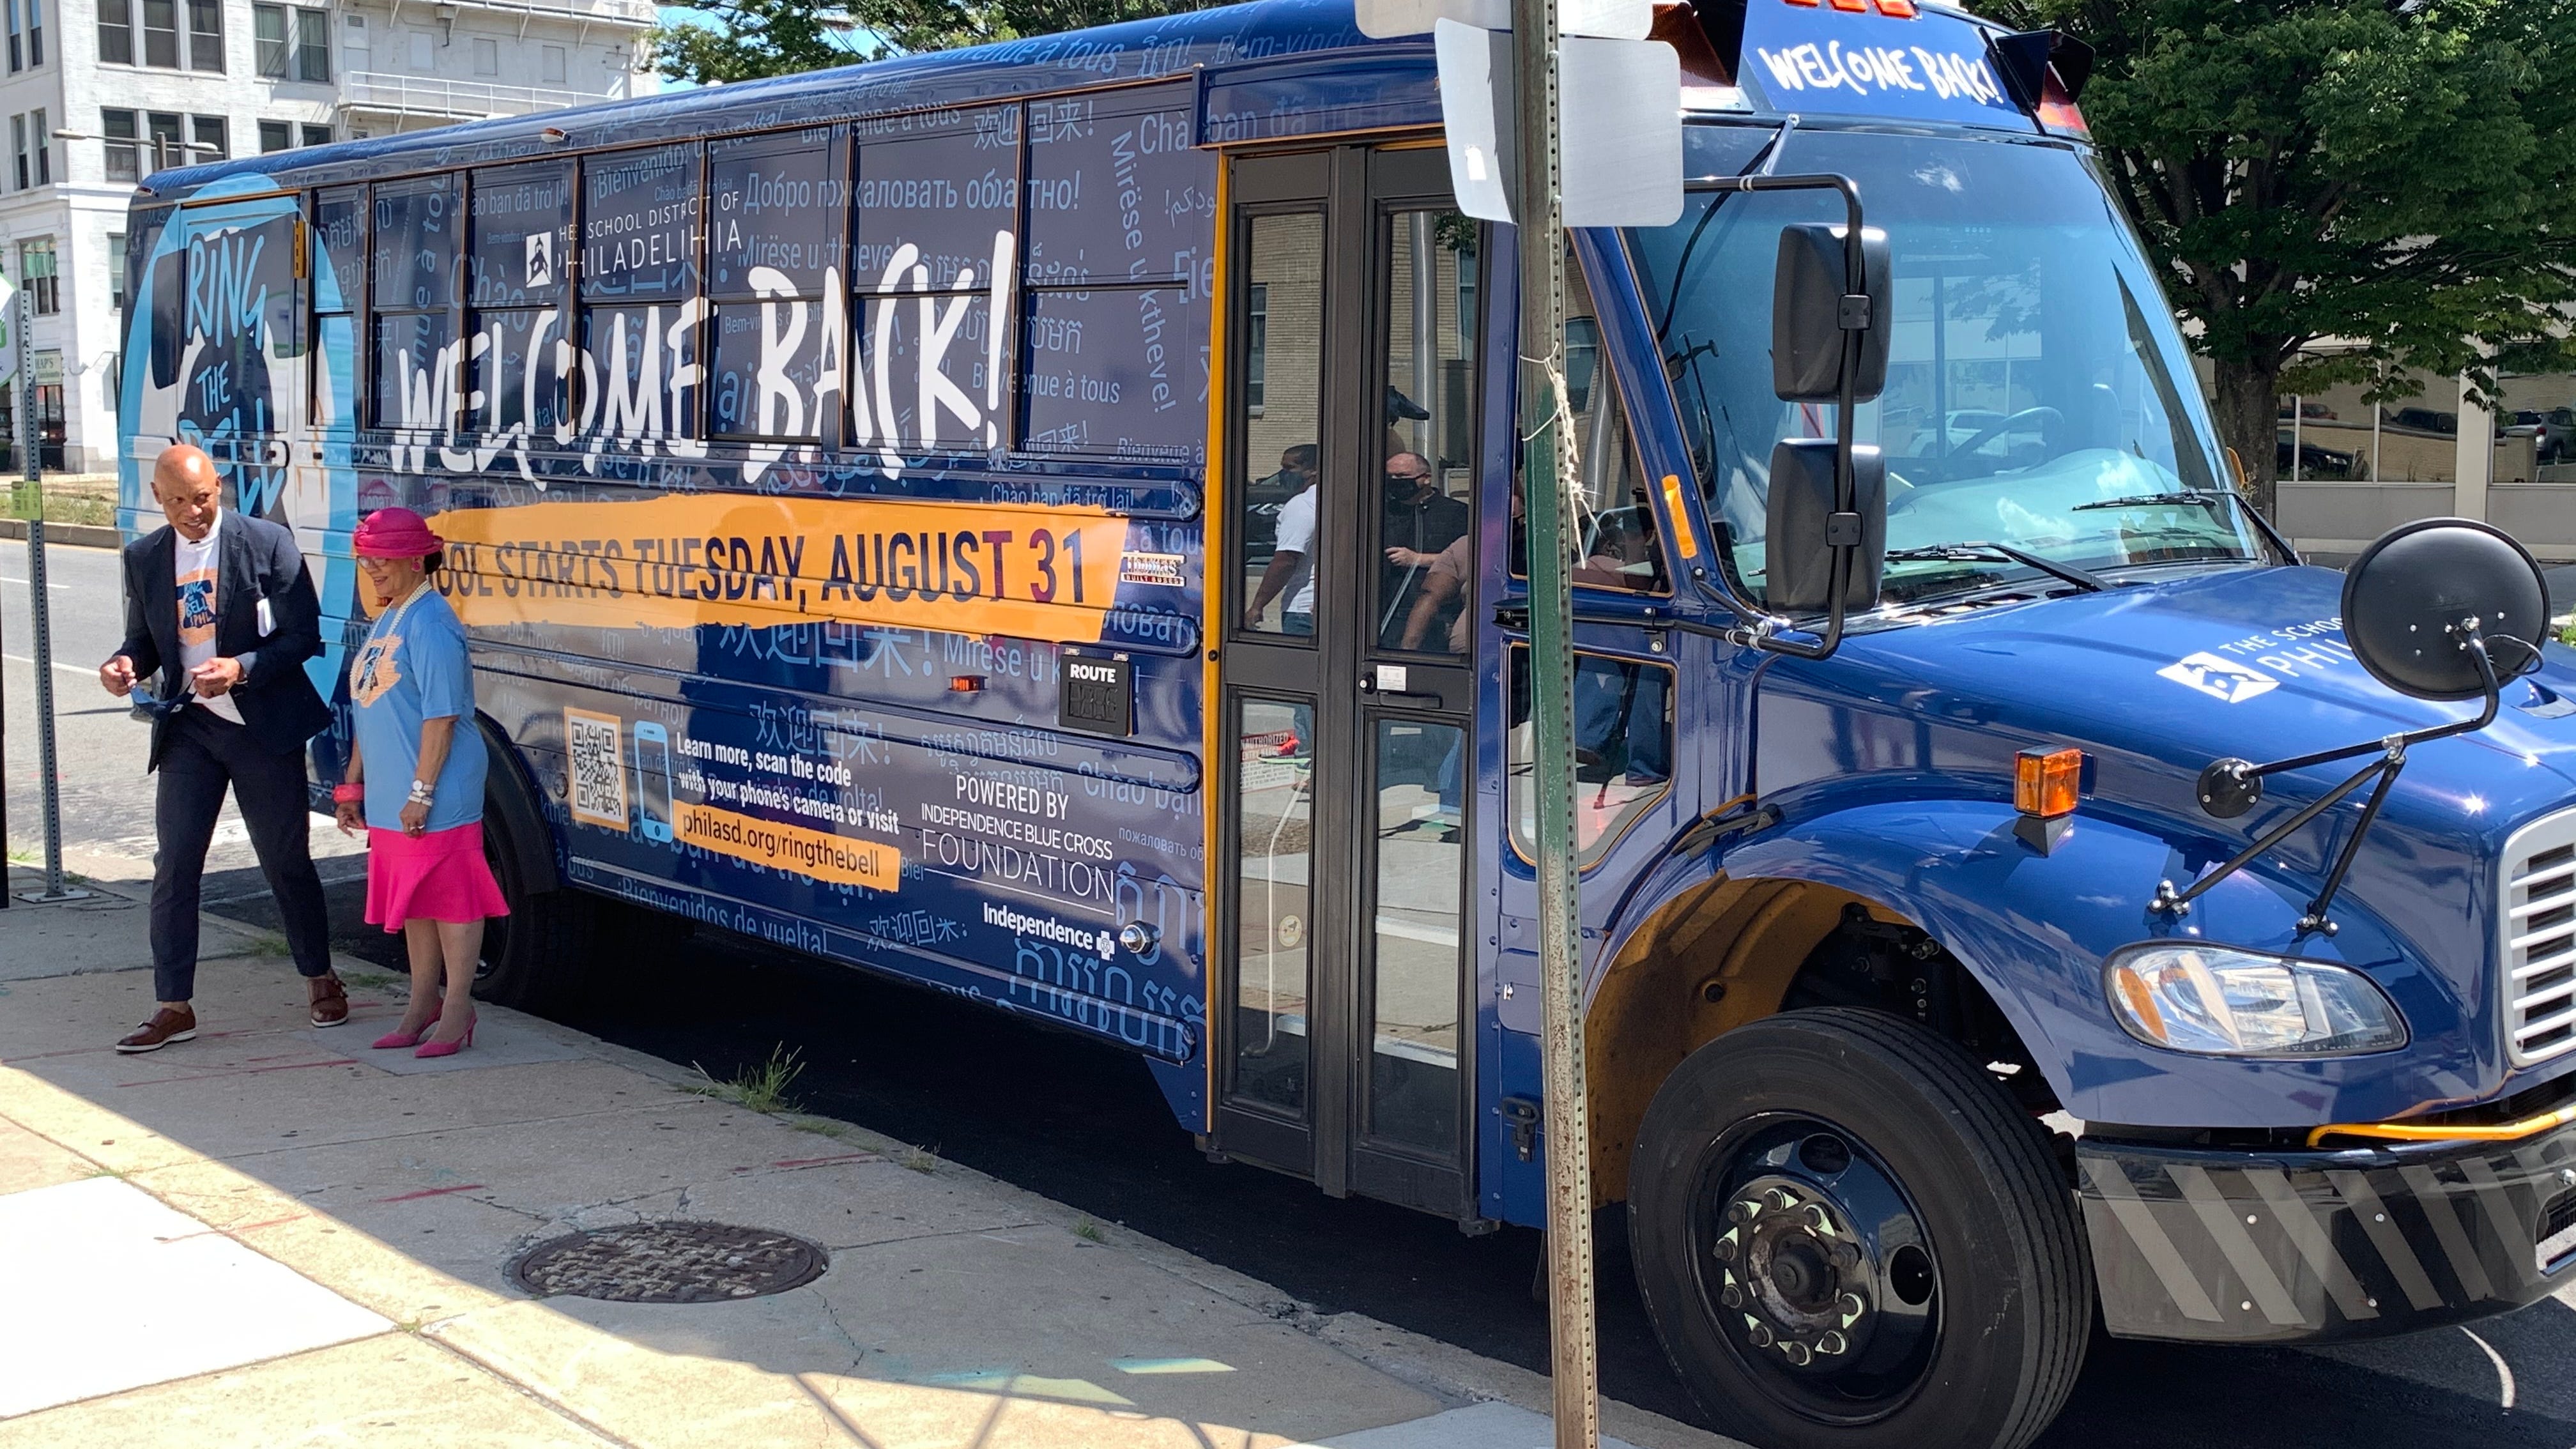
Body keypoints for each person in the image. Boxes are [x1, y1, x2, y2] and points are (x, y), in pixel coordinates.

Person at [100, 443, 342, 1052]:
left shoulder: (268, 543)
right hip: (190, 729)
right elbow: (144, 639)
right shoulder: (145, 557)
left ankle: (320, 976)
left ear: (220, 486)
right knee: (175, 865)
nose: (193, 512)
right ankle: (172, 1005)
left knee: (284, 859)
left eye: (203, 498)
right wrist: (125, 663)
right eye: (179, 502)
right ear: (158, 499)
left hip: (260, 727)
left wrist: (241, 668)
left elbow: (303, 636)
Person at [332, 508, 507, 1059]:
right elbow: (371, 704)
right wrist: (353, 785)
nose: (372, 569)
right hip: (393, 789)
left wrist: (421, 793)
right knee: (415, 900)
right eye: (366, 559)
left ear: (415, 559)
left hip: (434, 788)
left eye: (382, 559)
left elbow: (442, 716)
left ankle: (457, 1007)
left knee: (451, 898)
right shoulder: (391, 614)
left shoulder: (430, 621)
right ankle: (421, 1004)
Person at [1377, 452, 1468, 643]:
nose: (1395, 482)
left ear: (1426, 478)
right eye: (1390, 477)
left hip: (1436, 613)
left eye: (1402, 476)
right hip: (1387, 610)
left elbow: (1467, 558)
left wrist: (1418, 559)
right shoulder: (1380, 512)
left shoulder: (1457, 513)